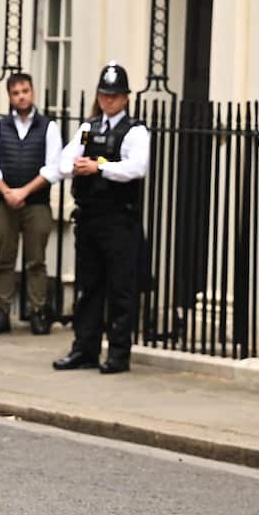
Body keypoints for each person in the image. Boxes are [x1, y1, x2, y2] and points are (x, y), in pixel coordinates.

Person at [53, 63, 150, 375]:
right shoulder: (88, 128)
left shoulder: (135, 131)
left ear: (126, 98)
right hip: (90, 216)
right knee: (89, 286)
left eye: (116, 96)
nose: (110, 101)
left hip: (119, 219)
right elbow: (64, 161)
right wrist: (78, 165)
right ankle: (85, 347)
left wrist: (100, 167)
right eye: (106, 95)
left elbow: (136, 168)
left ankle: (118, 353)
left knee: (121, 288)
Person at [0, 73, 62, 336]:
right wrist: (7, 192)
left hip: (37, 202)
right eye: (16, 92)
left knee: (36, 261)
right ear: (10, 96)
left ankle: (38, 312)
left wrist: (24, 192)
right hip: (5, 203)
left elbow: (53, 168)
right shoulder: (0, 126)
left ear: (33, 92)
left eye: (25, 91)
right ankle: (2, 312)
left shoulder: (48, 127)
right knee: (5, 259)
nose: (21, 96)